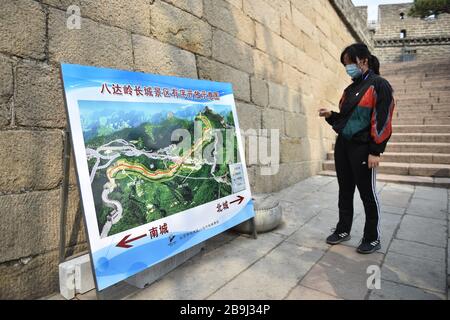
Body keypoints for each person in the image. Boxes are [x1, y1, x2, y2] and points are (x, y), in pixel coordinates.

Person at [319, 43, 395, 254]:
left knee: (367, 193)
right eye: (345, 64)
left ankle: (372, 238)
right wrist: (331, 116)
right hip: (343, 146)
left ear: (363, 60)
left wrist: (375, 150)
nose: (348, 68)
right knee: (345, 190)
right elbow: (345, 119)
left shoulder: (379, 85)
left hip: (363, 148)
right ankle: (343, 230)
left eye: (350, 63)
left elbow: (383, 119)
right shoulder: (350, 89)